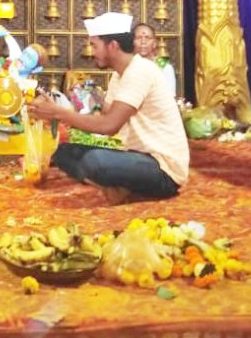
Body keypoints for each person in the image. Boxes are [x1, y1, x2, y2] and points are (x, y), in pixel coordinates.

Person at [30, 13, 189, 203]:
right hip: (136, 157)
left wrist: (58, 113)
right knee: (64, 153)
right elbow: (105, 113)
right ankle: (121, 187)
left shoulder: (140, 71)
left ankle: (122, 187)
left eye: (95, 46)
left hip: (163, 169)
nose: (92, 52)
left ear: (113, 46)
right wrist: (59, 106)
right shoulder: (119, 75)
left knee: (94, 162)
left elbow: (109, 125)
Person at [133, 23, 176, 97]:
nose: (143, 42)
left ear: (155, 43)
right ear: (132, 42)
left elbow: (170, 96)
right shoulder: (128, 64)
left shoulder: (164, 66)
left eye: (148, 38)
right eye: (139, 38)